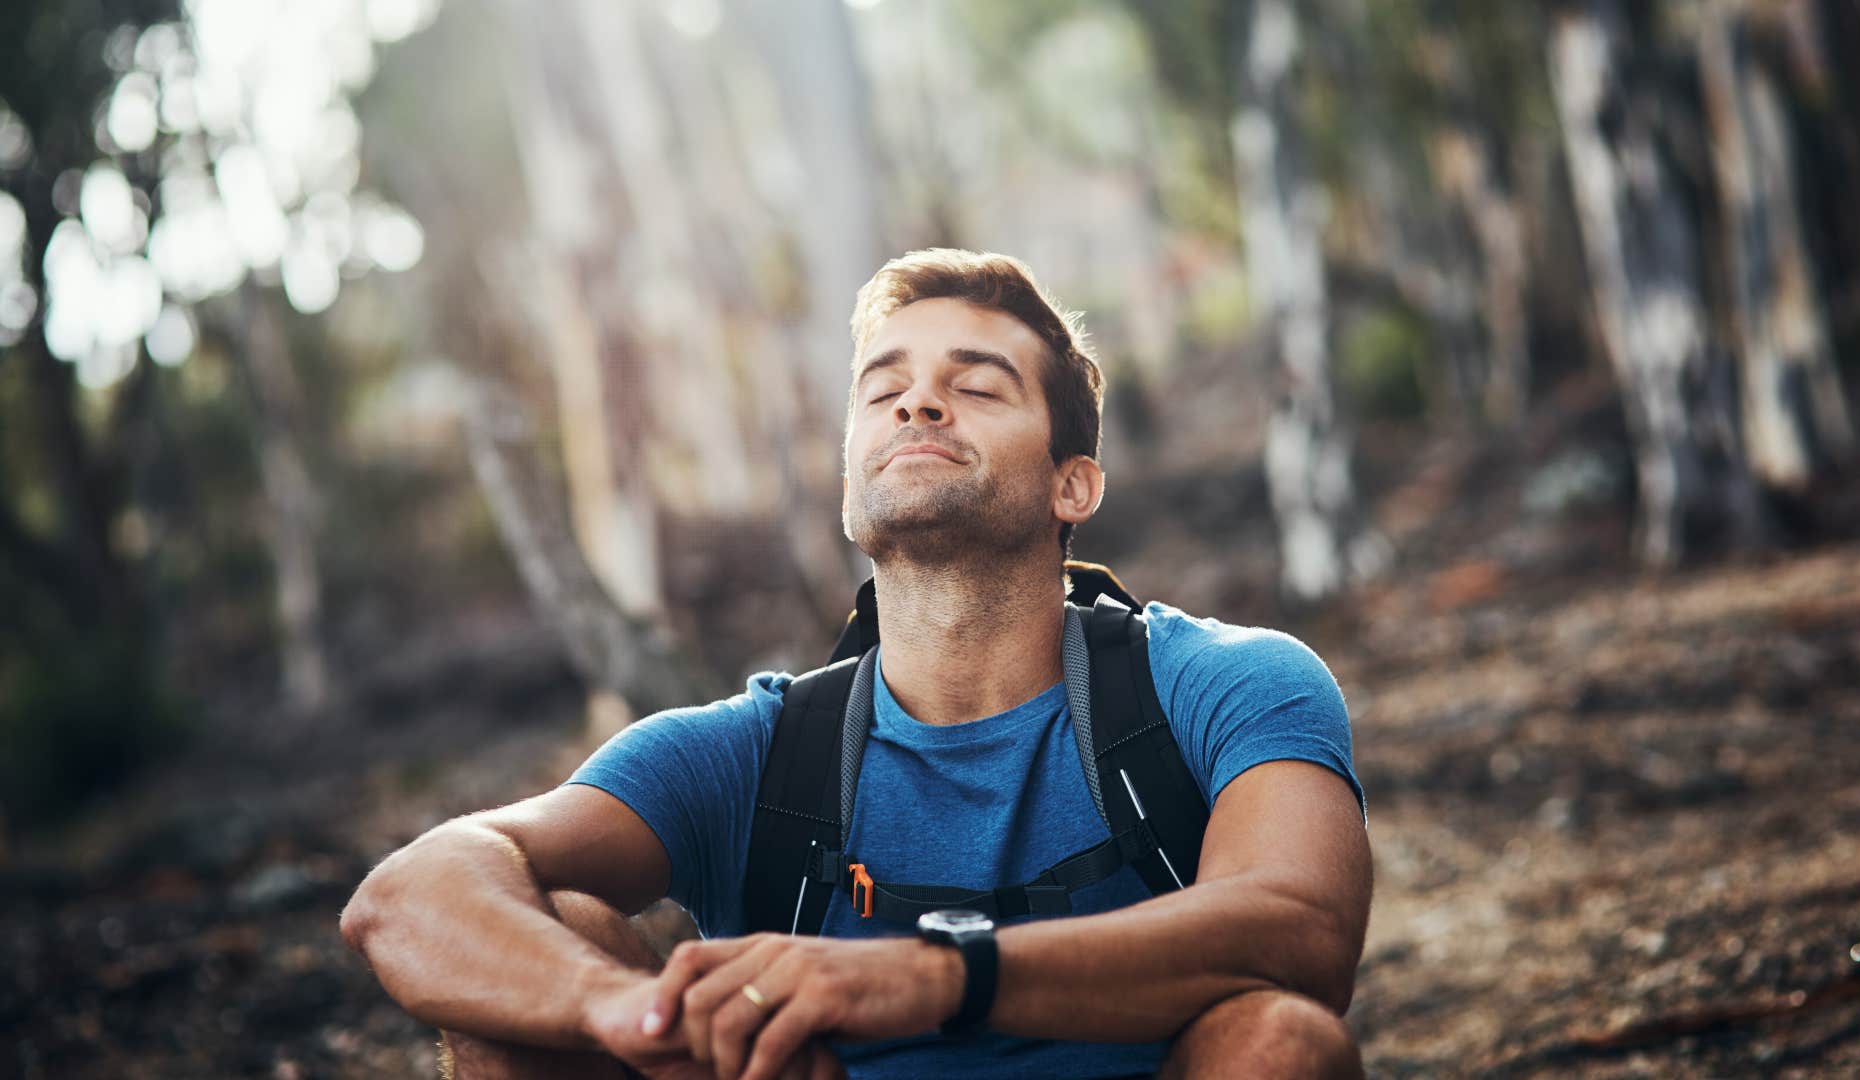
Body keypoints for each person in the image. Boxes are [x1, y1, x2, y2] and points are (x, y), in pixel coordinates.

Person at [340, 249, 1372, 1080]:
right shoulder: (754, 751)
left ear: (1074, 485)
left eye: (975, 386)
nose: (916, 407)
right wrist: (623, 1008)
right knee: (551, 941)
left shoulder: (1224, 683)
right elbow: (409, 894)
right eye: (884, 391)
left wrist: (930, 980)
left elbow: (1302, 928)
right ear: (848, 483)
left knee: (1279, 1044)